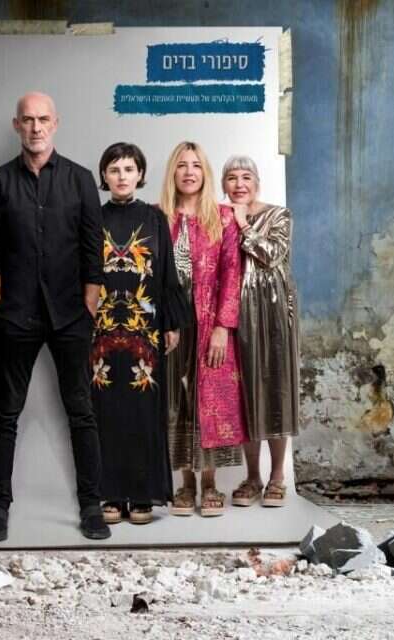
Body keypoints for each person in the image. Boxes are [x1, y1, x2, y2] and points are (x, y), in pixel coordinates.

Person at [0, 92, 109, 542]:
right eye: (28, 120)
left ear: (56, 123)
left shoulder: (80, 180)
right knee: (5, 414)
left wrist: (88, 310)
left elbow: (93, 253)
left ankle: (91, 506)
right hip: (15, 315)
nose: (36, 127)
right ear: (16, 125)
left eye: (43, 119)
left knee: (81, 412)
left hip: (71, 315)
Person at [90, 142, 190, 525]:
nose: (121, 176)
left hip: (145, 331)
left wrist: (172, 322)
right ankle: (112, 495)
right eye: (114, 169)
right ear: (104, 175)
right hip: (101, 330)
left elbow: (167, 273)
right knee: (106, 411)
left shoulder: (154, 218)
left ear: (140, 174)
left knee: (144, 411)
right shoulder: (92, 218)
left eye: (129, 169)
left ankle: (143, 494)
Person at [160, 141, 248, 518]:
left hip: (209, 321)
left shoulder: (223, 217)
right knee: (176, 402)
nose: (189, 172)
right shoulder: (158, 217)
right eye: (182, 165)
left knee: (208, 401)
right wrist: (161, 322)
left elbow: (232, 273)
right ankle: (185, 484)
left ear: (205, 172)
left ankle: (210, 483)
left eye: (196, 165)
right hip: (171, 323)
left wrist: (223, 327)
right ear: (173, 172)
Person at [223, 155, 300, 508]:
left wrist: (242, 223)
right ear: (224, 185)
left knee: (275, 389)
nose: (239, 184)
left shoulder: (279, 215)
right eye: (232, 178)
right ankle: (252, 476)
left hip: (273, 314)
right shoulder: (220, 218)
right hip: (237, 313)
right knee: (244, 393)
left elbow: (270, 254)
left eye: (246, 177)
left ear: (257, 182)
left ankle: (278, 475)